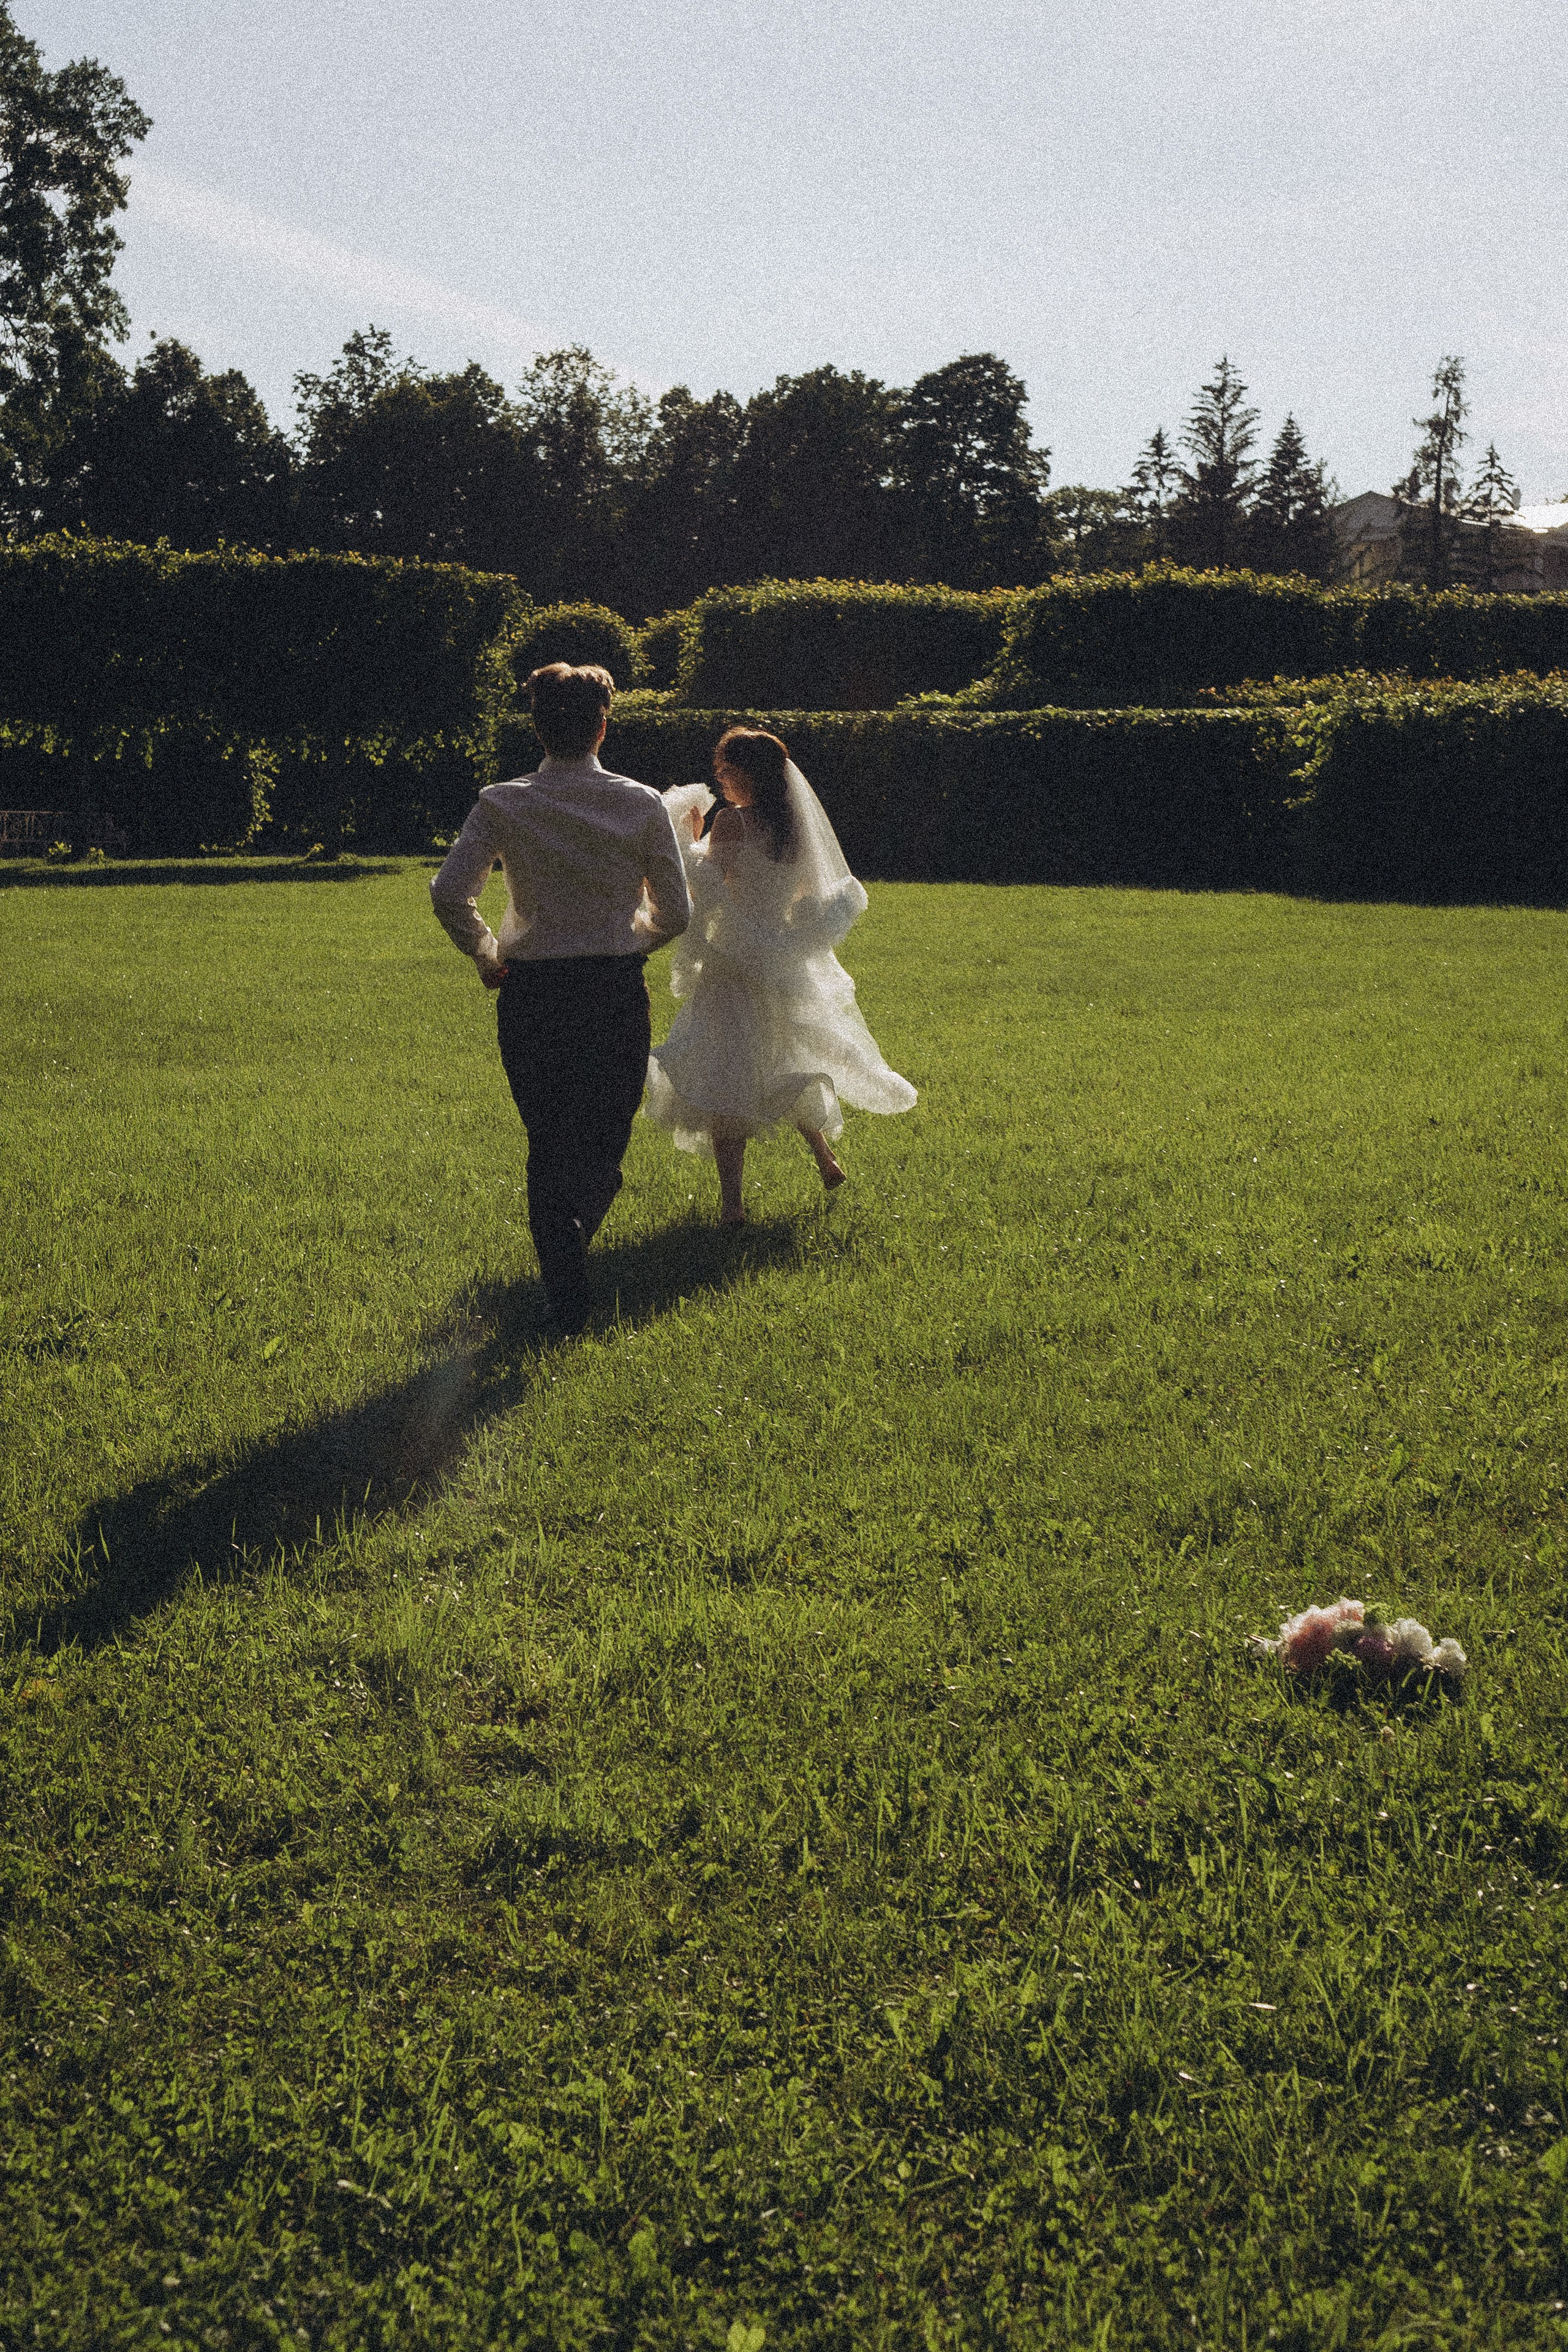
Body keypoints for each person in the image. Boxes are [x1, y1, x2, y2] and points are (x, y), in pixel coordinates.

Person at [429, 662, 691, 1333]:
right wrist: (633, 942)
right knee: (605, 1140)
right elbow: (676, 913)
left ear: (537, 727)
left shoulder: (503, 801)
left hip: (534, 993)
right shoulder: (638, 803)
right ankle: (570, 1264)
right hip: (610, 989)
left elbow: (449, 891)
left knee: (548, 1139)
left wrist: (487, 952)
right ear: (604, 726)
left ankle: (564, 1272)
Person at [645, 725, 916, 1224]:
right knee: (786, 1054)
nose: (720, 778)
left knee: (728, 1068)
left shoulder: (732, 823)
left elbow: (709, 884)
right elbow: (807, 897)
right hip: (782, 957)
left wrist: (687, 838)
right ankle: (823, 1155)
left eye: (726, 769)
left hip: (734, 961)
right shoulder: (794, 829)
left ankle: (733, 1206)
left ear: (748, 773)